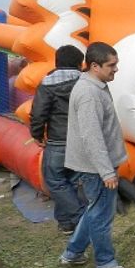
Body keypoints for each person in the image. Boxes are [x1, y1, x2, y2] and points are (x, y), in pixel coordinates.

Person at [59, 42, 132, 268]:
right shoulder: (89, 94)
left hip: (98, 165)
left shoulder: (97, 85)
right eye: (112, 65)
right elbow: (92, 137)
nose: (116, 70)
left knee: (94, 211)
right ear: (94, 66)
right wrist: (106, 172)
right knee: (101, 216)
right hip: (97, 168)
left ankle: (73, 253)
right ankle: (106, 264)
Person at [30, 45, 86, 235]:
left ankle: (80, 217)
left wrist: (37, 135)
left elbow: (38, 113)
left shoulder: (47, 83)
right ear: (80, 63)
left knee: (54, 181)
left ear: (57, 62)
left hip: (58, 141)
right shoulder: (86, 82)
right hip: (82, 141)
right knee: (71, 181)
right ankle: (66, 223)